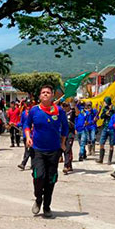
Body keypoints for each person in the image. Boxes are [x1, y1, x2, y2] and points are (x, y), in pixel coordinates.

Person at [24, 85, 68, 218]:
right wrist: (27, 137)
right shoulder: (34, 110)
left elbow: (65, 128)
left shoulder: (59, 111)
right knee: (38, 176)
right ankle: (38, 199)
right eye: (43, 92)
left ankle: (47, 206)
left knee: (51, 179)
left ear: (52, 95)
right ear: (40, 95)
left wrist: (63, 143)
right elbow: (26, 125)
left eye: (48, 92)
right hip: (37, 149)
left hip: (54, 150)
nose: (45, 94)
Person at [96, 96, 115, 164]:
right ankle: (101, 159)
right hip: (105, 127)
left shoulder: (113, 108)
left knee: (111, 144)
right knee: (101, 142)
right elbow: (101, 117)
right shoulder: (105, 109)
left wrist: (111, 111)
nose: (104, 103)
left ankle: (109, 160)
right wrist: (105, 113)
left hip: (112, 128)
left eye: (105, 101)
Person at [17, 101, 33, 170]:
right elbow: (21, 122)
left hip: (33, 134)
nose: (28, 106)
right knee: (28, 149)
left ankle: (23, 163)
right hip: (25, 134)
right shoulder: (23, 113)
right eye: (27, 104)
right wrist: (15, 124)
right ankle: (32, 164)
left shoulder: (33, 112)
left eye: (30, 104)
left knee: (29, 149)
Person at [61, 102, 76, 175]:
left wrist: (75, 105)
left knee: (67, 149)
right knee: (64, 150)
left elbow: (77, 113)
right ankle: (69, 165)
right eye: (64, 106)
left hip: (70, 133)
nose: (65, 107)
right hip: (63, 133)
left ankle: (66, 166)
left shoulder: (72, 112)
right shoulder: (61, 113)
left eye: (66, 105)